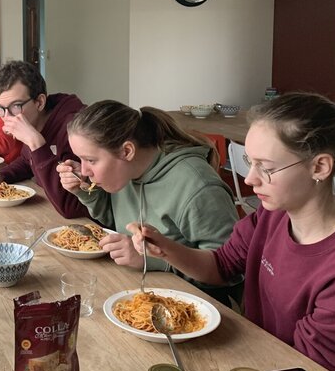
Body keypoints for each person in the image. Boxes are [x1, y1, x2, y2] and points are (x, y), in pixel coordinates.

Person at [129, 92, 335, 371]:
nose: (251, 179)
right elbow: (222, 266)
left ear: (319, 166)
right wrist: (166, 248)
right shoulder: (274, 214)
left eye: (265, 167)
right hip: (269, 368)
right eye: (249, 163)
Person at [57, 100, 239, 302]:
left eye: (91, 160)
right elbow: (112, 219)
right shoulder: (127, 172)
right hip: (136, 290)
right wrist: (85, 191)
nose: (83, 170)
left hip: (195, 306)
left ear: (127, 151)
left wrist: (153, 261)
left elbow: (230, 272)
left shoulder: (198, 186)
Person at [0, 60, 88, 218]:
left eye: (15, 106)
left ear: (40, 102)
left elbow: (70, 206)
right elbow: (27, 161)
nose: (6, 118)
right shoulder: (36, 119)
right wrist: (1, 176)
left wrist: (36, 143)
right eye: (0, 109)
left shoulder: (76, 128)